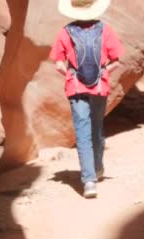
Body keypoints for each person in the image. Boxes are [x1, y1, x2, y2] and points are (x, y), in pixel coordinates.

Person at [49, 0, 124, 198]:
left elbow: (58, 64)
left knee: (82, 132)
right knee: (97, 128)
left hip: (75, 87)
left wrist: (71, 74)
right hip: (99, 86)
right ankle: (97, 168)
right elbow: (116, 61)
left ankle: (89, 181)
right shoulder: (105, 30)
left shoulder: (65, 32)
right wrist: (103, 72)